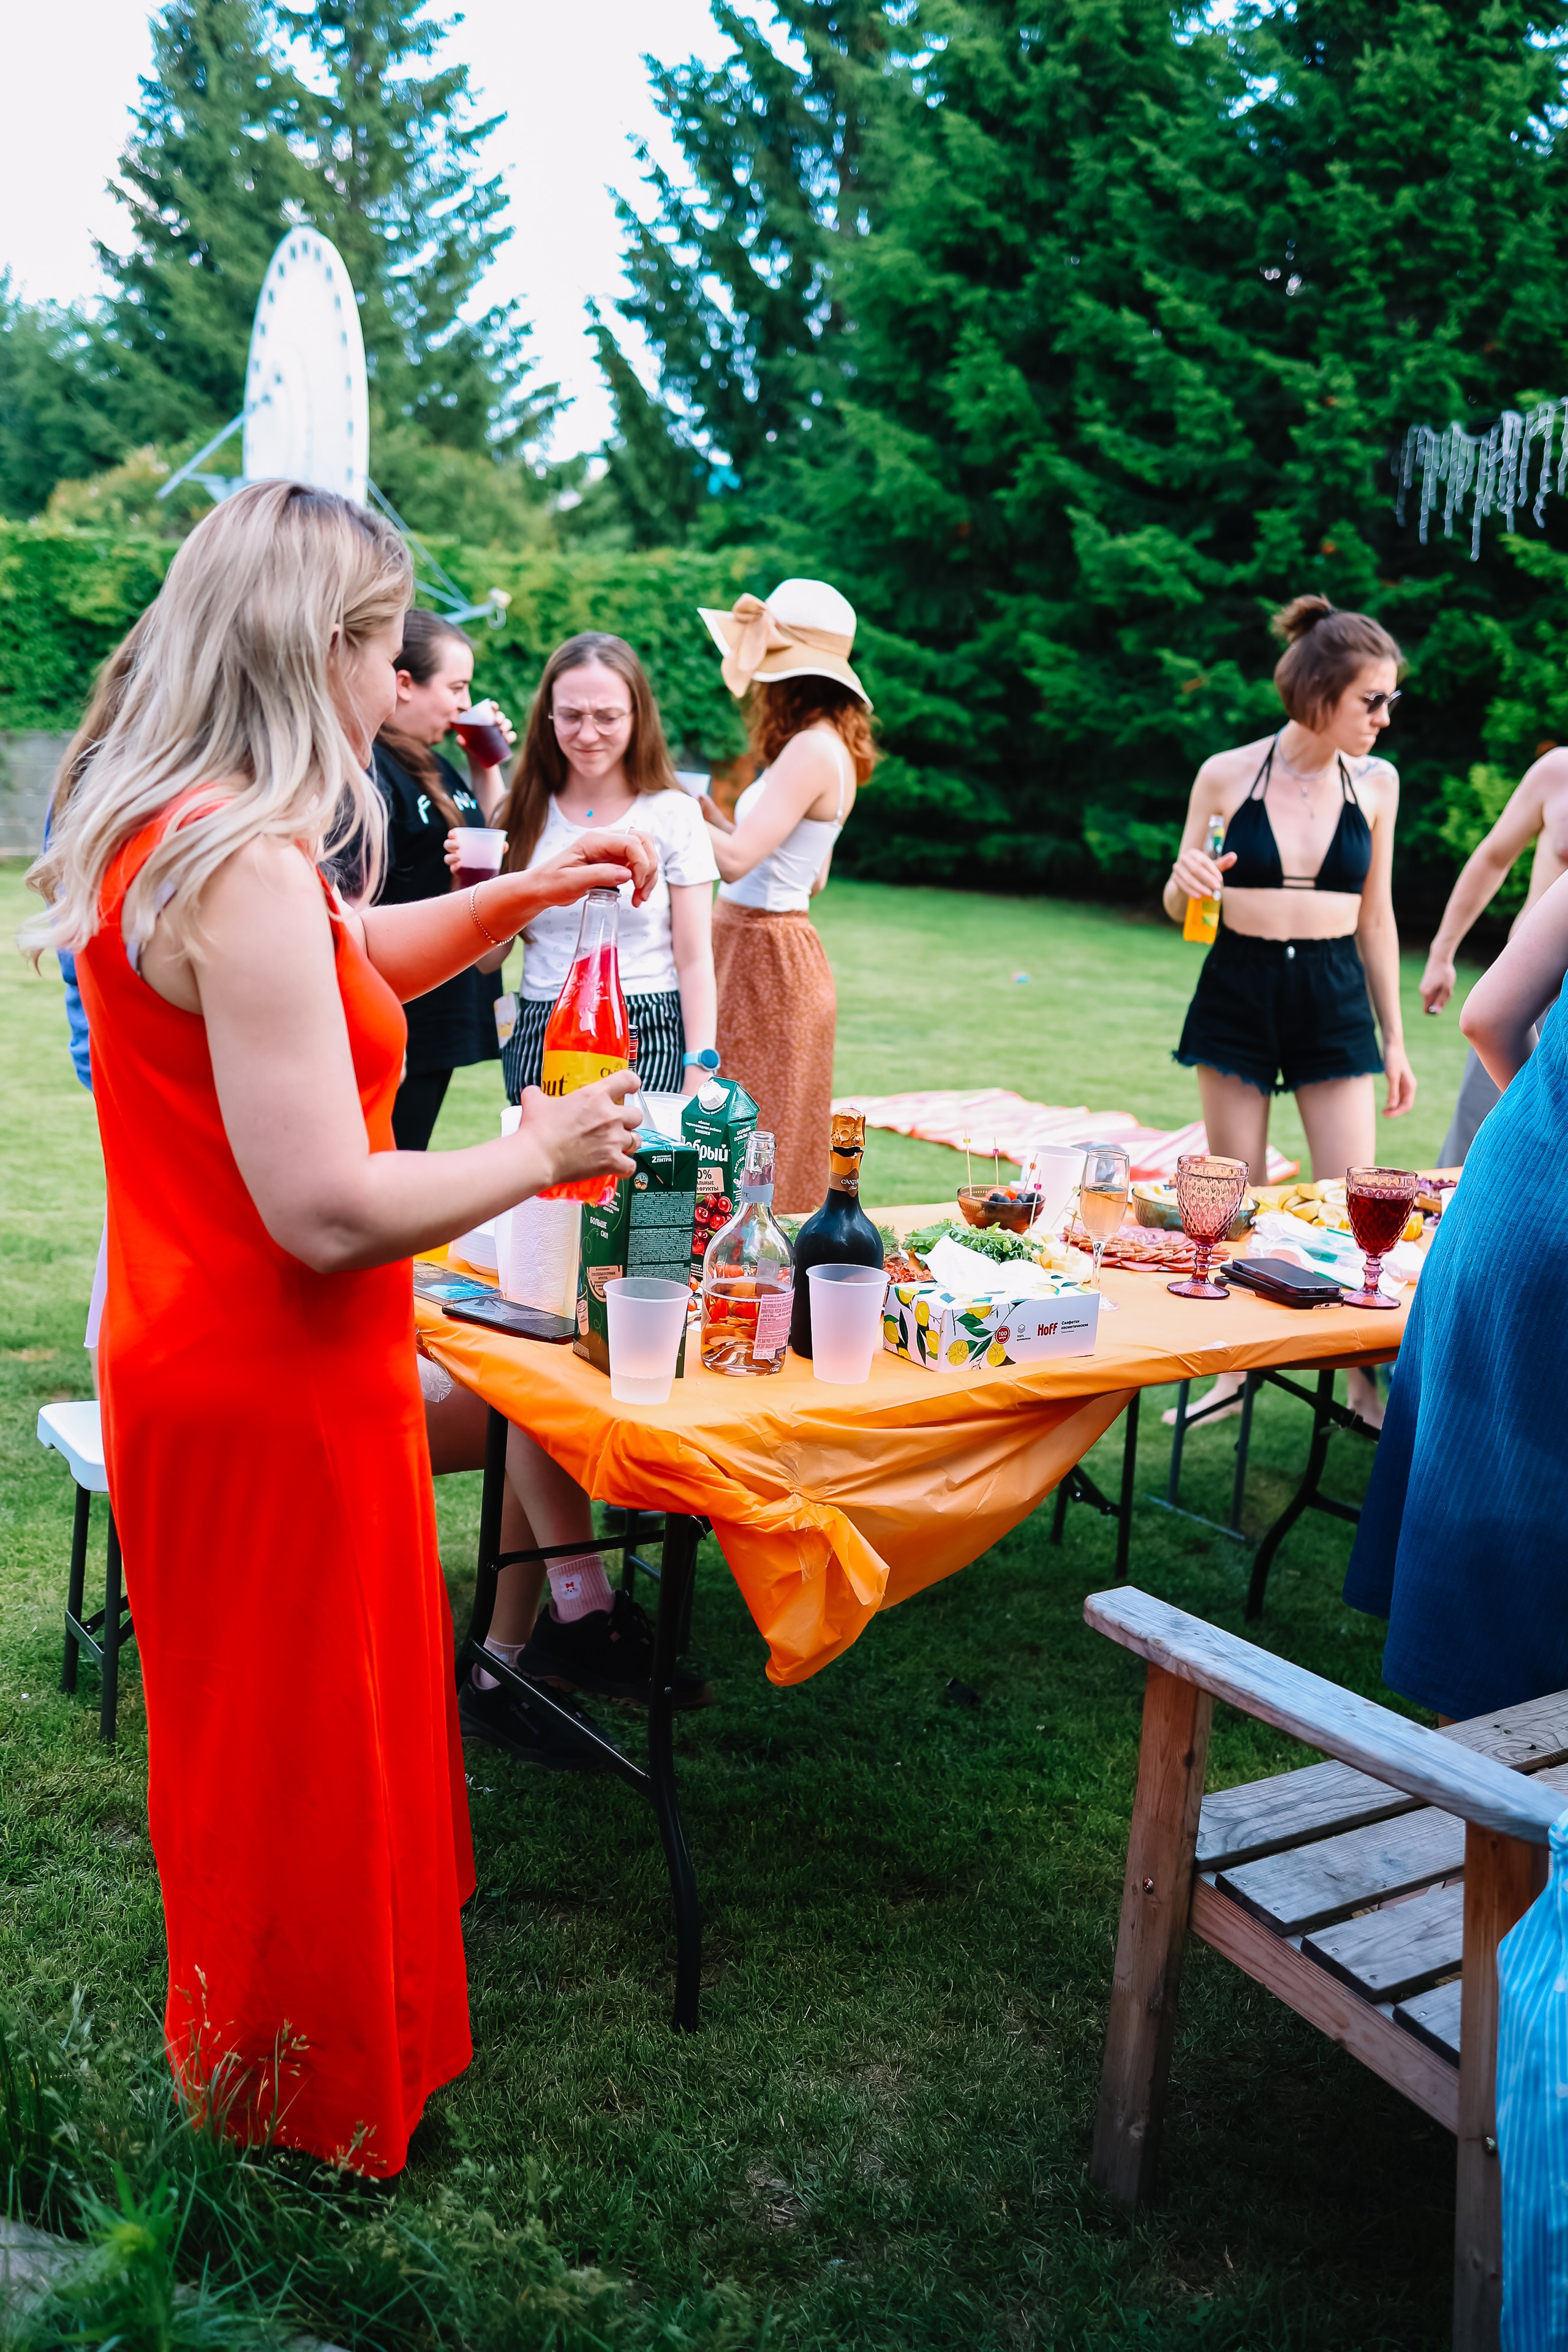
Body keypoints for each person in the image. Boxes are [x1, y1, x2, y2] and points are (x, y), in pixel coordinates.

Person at [26, 480, 650, 2174]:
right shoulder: (232, 857)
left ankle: (315, 2037)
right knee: (296, 1755)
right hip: (269, 1367)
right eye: (381, 648)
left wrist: (513, 903)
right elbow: (318, 1205)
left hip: (233, 1351)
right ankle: (300, 2099)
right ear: (312, 647)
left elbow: (337, 958)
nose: (397, 685)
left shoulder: (201, 829)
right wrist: (538, 1149)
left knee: (320, 1730)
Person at [1163, 595, 1415, 1428]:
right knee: (1230, 1200)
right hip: (1240, 983)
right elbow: (1180, 895)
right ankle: (1233, 1373)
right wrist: (1185, 883)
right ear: (1318, 694)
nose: (1385, 717)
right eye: (1370, 700)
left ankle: (1359, 1379)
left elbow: (1377, 916)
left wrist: (1397, 1040)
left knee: (1356, 1202)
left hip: (1336, 989)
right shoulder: (1227, 774)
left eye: (1388, 701)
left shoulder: (1378, 784)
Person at [1344, 866, 1568, 1717]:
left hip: (1510, 1199)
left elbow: (1489, 1015)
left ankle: (1480, 1788)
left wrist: (1548, 1124)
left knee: (1490, 1488)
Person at [696, 578, 875, 1212]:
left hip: (762, 957)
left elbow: (741, 859)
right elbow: (809, 874)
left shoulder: (807, 750)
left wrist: (664, 807)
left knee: (744, 1143)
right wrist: (710, 816)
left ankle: (742, 1290)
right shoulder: (832, 748)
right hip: (775, 949)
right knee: (768, 1138)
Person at [477, 633, 717, 1100]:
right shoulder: (517, 814)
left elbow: (694, 958)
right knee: (540, 1174)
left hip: (646, 1028)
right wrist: (473, 883)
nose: (587, 734)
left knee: (635, 1172)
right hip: (541, 1025)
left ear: (637, 717)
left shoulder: (674, 812)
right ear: (548, 716)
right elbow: (488, 960)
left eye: (607, 717)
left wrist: (700, 1069)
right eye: (570, 716)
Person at [371, 608, 516, 1149]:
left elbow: (499, 835)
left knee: (407, 1151)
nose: (465, 702)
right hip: (404, 1008)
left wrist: (485, 763)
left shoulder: (435, 761)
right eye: (456, 687)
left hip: (443, 1000)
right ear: (405, 684)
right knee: (390, 1160)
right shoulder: (372, 767)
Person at [1417, 746, 1568, 1165]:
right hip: (1524, 1000)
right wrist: (1442, 951)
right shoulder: (1558, 771)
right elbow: (1492, 858)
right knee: (1473, 1146)